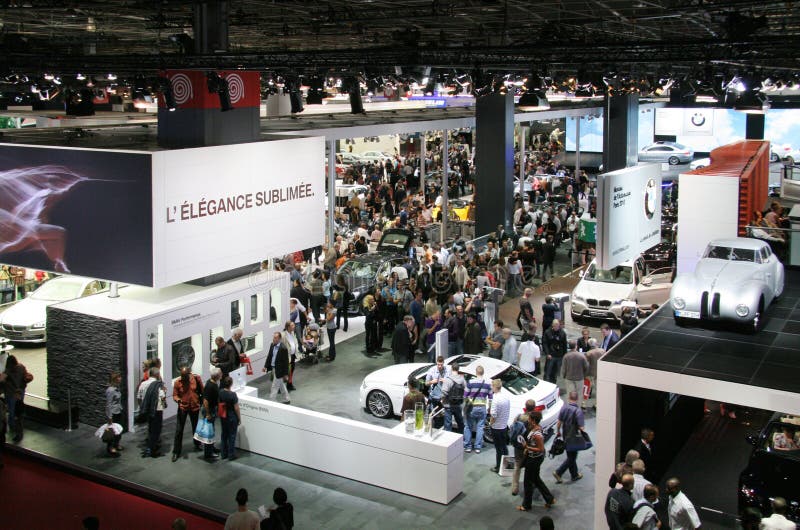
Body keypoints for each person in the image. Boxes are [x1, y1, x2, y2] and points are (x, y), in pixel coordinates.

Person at [517, 410, 556, 512]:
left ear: (533, 420)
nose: (528, 420)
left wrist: (527, 447)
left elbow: (541, 448)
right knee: (536, 479)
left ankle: (526, 505)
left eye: (530, 418)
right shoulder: (536, 428)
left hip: (534, 459)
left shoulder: (537, 434)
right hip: (535, 458)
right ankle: (549, 499)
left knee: (527, 482)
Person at [171, 366, 204, 462]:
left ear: (189, 374)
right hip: (183, 408)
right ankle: (176, 451)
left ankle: (197, 444)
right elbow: (175, 395)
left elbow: (202, 390)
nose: (183, 378)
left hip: (194, 407)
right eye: (182, 376)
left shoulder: (196, 379)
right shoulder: (178, 382)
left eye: (185, 376)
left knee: (195, 426)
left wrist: (202, 402)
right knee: (179, 429)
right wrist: (178, 400)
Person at [553, 391, 585, 483]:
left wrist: (558, 432)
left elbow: (559, 422)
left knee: (570, 455)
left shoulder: (564, 408)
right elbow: (581, 427)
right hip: (574, 437)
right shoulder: (578, 411)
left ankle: (574, 475)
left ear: (568, 398)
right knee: (572, 457)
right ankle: (558, 472)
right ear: (577, 399)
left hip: (565, 435)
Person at [137, 366, 167, 458]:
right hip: (156, 410)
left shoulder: (143, 384)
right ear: (157, 374)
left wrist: (142, 407)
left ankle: (150, 446)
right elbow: (162, 397)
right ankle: (152, 449)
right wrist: (164, 404)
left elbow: (139, 397)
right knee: (156, 429)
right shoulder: (159, 385)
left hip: (147, 409)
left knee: (150, 428)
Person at [463, 365, 491, 453]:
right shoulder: (488, 384)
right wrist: (489, 408)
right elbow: (490, 398)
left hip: (472, 408)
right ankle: (477, 447)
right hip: (482, 408)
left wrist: (466, 405)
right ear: (483, 373)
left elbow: (465, 396)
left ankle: (468, 446)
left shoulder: (470, 382)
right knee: (480, 427)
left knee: (468, 427)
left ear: (476, 372)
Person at [4, 355, 30, 443]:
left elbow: (1, 379)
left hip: (11, 393)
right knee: (18, 412)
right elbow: (26, 376)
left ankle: (13, 428)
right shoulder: (21, 367)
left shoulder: (8, 371)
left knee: (12, 411)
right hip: (20, 392)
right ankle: (18, 430)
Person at [489, 378, 510, 474]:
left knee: (499, 449)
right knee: (504, 447)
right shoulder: (506, 397)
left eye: (491, 386)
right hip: (504, 426)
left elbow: (493, 415)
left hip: (496, 428)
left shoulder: (495, 399)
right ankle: (507, 466)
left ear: (494, 387)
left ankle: (498, 467)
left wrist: (490, 423)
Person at [561, 340, 589, 409]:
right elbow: (586, 367)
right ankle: (578, 408)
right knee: (579, 394)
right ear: (576, 346)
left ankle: (570, 408)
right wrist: (584, 375)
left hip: (569, 378)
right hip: (579, 378)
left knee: (570, 394)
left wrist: (564, 376)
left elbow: (563, 368)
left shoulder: (566, 356)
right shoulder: (581, 356)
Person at [202, 366, 222, 461]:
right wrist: (208, 414)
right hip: (209, 411)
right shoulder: (210, 386)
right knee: (209, 432)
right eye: (220, 373)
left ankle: (211, 448)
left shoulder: (213, 383)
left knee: (211, 431)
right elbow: (205, 401)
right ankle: (208, 453)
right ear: (217, 376)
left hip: (212, 410)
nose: (222, 374)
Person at [218, 376, 241, 461]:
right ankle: (231, 454)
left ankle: (223, 454)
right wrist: (239, 418)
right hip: (231, 417)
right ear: (231, 384)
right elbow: (236, 408)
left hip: (223, 416)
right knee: (232, 435)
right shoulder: (233, 395)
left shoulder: (220, 392)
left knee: (224, 434)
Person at [264, 332, 290, 404]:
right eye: (273, 337)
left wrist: (285, 374)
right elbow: (269, 356)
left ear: (279, 339)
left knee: (274, 386)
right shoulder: (272, 345)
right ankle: (286, 399)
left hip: (280, 370)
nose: (274, 339)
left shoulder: (283, 348)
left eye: (275, 338)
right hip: (273, 368)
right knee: (281, 385)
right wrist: (265, 366)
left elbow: (286, 362)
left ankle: (272, 401)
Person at [440, 361, 466, 433]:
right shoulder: (462, 380)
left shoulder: (448, 379)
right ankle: (462, 437)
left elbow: (444, 392)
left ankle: (448, 438)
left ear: (451, 369)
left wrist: (442, 400)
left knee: (448, 424)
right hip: (458, 404)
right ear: (458, 369)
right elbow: (466, 390)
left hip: (448, 405)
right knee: (460, 423)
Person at [104, 371, 124, 457]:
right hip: (113, 413)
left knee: (118, 430)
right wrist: (109, 416)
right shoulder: (111, 390)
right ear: (114, 379)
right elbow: (108, 404)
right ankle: (110, 447)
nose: (120, 378)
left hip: (118, 411)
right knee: (112, 431)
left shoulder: (117, 388)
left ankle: (116, 444)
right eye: (119, 377)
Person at [542, 319, 567, 384]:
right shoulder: (547, 332)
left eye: (557, 325)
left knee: (555, 373)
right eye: (555, 325)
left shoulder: (562, 333)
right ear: (552, 325)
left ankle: (553, 383)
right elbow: (544, 343)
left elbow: (564, 344)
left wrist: (564, 355)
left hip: (559, 356)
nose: (556, 327)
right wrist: (547, 353)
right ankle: (545, 384)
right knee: (547, 372)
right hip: (550, 355)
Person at [425, 356, 450, 421]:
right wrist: (431, 382)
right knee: (433, 415)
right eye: (438, 364)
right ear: (436, 362)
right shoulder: (432, 370)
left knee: (443, 416)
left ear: (443, 363)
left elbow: (452, 383)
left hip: (443, 397)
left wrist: (446, 381)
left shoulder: (447, 371)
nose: (440, 366)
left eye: (441, 365)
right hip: (433, 397)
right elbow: (426, 383)